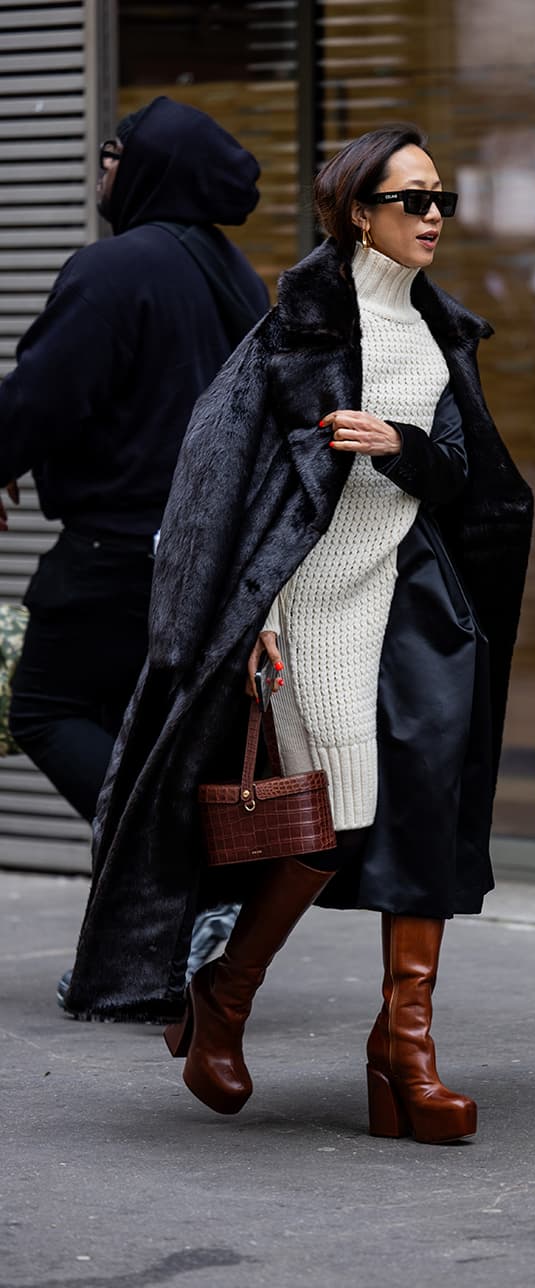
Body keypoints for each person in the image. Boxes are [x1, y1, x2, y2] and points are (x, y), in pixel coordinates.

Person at [65, 124, 533, 1144]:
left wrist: (402, 444)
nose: (432, 217)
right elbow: (217, 488)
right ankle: (221, 997)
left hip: (408, 595)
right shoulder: (297, 332)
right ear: (356, 210)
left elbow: (461, 475)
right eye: (410, 199)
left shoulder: (441, 331)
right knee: (334, 815)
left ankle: (403, 1050)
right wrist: (247, 620)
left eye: (440, 197)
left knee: (421, 812)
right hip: (309, 598)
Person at [0, 96, 270, 999]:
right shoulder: (237, 279)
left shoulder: (114, 269)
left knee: (42, 706)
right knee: (145, 738)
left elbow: (43, 395)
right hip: (214, 555)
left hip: (119, 552)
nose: (102, 170)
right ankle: (150, 944)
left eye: (114, 154)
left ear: (152, 168)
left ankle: (188, 884)